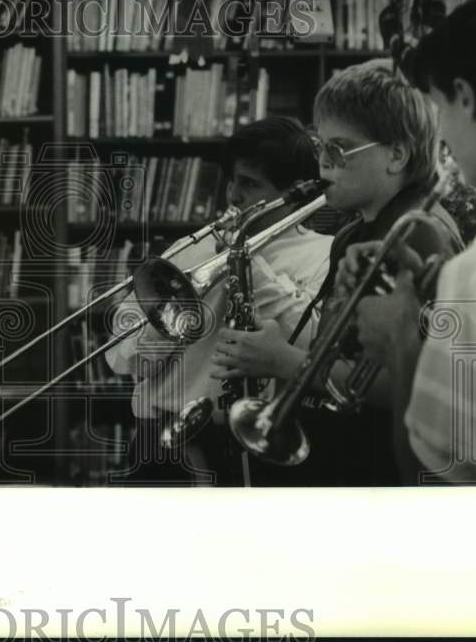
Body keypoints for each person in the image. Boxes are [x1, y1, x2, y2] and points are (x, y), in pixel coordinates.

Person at [210, 59, 464, 486]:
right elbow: (341, 354)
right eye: (319, 146)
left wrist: (284, 361)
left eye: (339, 150)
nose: (322, 165)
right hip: (340, 455)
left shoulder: (421, 234)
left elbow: (418, 384)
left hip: (379, 472)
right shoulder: (353, 234)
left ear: (396, 154)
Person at [342, 0, 476, 484]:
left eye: (439, 107)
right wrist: (438, 282)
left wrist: (401, 342)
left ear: (464, 97)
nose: (441, 134)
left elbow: (436, 480)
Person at [105, 116, 332, 485]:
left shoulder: (324, 255)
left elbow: (313, 346)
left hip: (255, 446)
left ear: (294, 193)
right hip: (164, 442)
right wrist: (168, 325)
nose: (233, 196)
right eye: (232, 180)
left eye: (249, 183)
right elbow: (119, 354)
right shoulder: (194, 247)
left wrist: (247, 263)